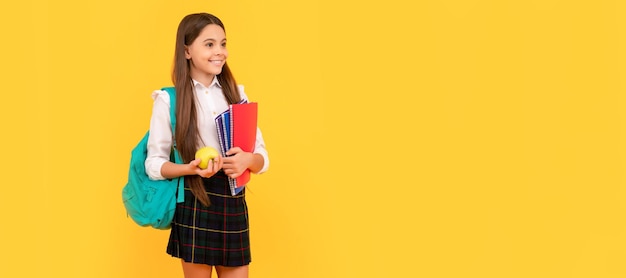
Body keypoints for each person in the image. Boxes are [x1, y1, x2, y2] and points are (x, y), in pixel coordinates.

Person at [144, 13, 269, 278]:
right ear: (187, 50)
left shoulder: (236, 94)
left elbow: (261, 156)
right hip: (194, 197)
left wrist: (247, 161)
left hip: (232, 200)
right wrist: (189, 169)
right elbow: (154, 165)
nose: (220, 52)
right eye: (209, 44)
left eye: (223, 44)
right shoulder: (168, 100)